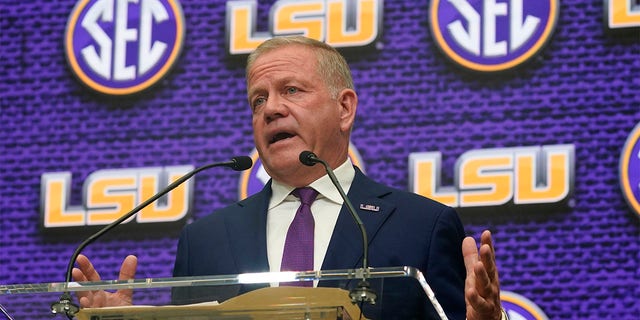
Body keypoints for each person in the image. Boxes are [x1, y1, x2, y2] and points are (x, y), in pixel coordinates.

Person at [73, 36, 506, 320]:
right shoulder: (203, 241)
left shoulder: (422, 227)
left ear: (345, 108)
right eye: (258, 99)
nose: (271, 109)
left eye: (292, 91)